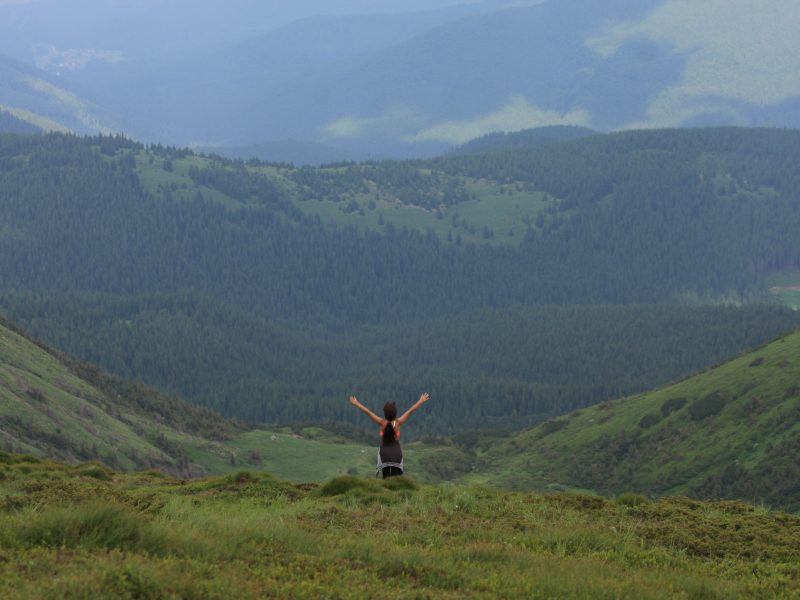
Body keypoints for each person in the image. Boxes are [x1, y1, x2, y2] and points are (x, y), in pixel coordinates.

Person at [349, 393, 430, 478]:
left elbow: (368, 412)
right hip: (396, 453)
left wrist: (357, 404)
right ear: (395, 413)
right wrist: (420, 401)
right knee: (398, 479)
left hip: (384, 453)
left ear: (385, 413)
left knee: (386, 477)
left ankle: (387, 489)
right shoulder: (398, 422)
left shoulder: (381, 422)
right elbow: (410, 411)